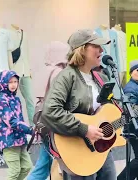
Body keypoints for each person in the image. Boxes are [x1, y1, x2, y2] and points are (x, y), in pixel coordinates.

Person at [41, 29, 117, 180]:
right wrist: (84, 129)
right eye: (96, 46)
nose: (101, 50)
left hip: (101, 148)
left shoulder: (99, 77)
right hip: (77, 148)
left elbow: (105, 112)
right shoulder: (66, 77)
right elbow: (50, 111)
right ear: (82, 49)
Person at [27, 41, 69, 180]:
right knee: (44, 168)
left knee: (44, 165)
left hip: (45, 124)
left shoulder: (46, 70)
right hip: (55, 125)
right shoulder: (60, 73)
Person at [0, 70, 33, 180]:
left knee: (26, 167)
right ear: (4, 83)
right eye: (10, 82)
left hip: (20, 140)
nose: (13, 85)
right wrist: (29, 129)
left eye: (15, 82)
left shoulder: (16, 99)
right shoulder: (1, 100)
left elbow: (20, 119)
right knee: (14, 171)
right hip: (9, 141)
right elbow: (11, 121)